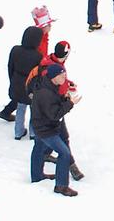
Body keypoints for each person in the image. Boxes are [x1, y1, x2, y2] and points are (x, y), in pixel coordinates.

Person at [28, 61, 80, 196]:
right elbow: (54, 114)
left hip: (40, 125)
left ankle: (37, 176)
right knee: (64, 153)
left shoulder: (49, 87)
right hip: (46, 129)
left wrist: (64, 99)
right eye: (61, 75)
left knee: (38, 149)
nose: (64, 78)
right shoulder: (46, 93)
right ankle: (61, 186)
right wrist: (70, 103)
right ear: (53, 77)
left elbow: (53, 106)